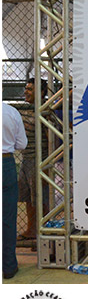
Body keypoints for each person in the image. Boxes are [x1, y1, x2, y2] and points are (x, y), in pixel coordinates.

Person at [18, 78, 50, 241]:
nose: (26, 92)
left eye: (30, 89)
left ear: (41, 92)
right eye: (26, 88)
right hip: (26, 158)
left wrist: (47, 165)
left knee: (41, 198)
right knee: (28, 198)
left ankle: (44, 232)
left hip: (40, 159)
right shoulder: (24, 109)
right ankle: (31, 229)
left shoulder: (45, 110)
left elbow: (50, 139)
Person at [3, 102, 27, 279]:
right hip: (5, 162)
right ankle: (8, 265)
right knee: (7, 218)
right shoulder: (11, 112)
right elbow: (22, 144)